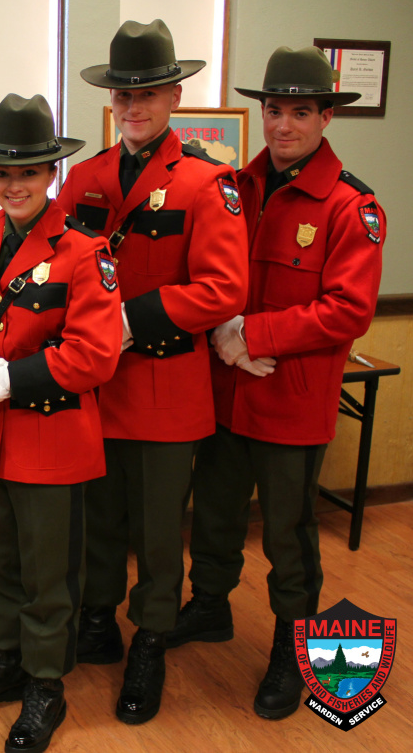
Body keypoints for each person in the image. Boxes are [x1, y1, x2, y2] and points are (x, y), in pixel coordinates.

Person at [170, 46, 386, 720]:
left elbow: (348, 309)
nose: (282, 125)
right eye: (272, 110)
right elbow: (207, 271)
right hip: (226, 392)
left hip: (289, 400)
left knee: (288, 536)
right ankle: (207, 607)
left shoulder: (351, 206)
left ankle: (292, 657)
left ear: (325, 115)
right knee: (212, 512)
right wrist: (219, 333)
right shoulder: (234, 187)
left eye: (298, 112)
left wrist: (254, 336)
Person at [55, 19, 247, 724]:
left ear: (172, 95)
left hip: (166, 386)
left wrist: (132, 319)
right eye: (120, 94)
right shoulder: (83, 179)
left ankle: (152, 641)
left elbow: (223, 288)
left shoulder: (206, 181)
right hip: (95, 386)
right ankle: (99, 622)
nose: (132, 106)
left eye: (146, 93)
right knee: (99, 519)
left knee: (160, 530)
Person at [0, 93, 121, 753]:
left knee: (47, 572)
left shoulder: (84, 252)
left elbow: (93, 354)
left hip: (51, 435)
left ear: (50, 174)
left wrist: (9, 377)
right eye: (2, 173)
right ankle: (3, 661)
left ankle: (44, 683)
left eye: (28, 172)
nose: (13, 184)